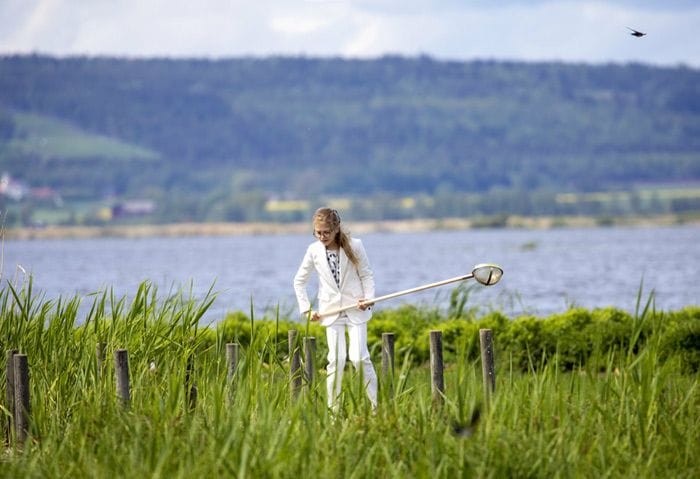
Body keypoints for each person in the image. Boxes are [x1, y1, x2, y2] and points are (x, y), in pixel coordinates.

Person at [293, 207, 378, 411]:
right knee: (336, 361)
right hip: (331, 313)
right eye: (318, 232)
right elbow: (299, 281)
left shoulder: (356, 245)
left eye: (326, 232)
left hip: (356, 309)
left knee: (359, 358)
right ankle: (334, 414)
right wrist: (306, 310)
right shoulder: (313, 251)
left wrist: (369, 298)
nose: (322, 236)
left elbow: (366, 275)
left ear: (336, 229)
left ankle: (377, 408)